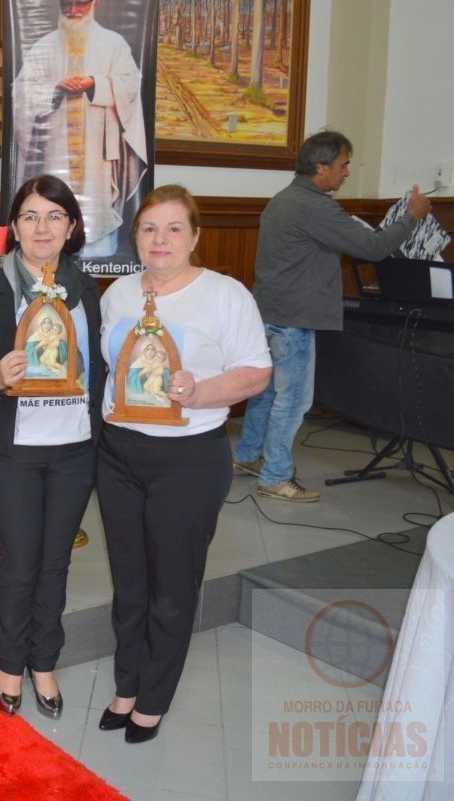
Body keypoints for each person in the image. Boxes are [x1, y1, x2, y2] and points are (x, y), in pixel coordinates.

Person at [97, 184, 271, 744]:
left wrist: (201, 392)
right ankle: (127, 684)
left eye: (174, 228)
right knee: (128, 582)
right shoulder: (117, 295)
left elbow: (256, 371)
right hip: (119, 453)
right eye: (149, 228)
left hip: (189, 457)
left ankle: (153, 697)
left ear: (195, 237)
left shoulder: (226, 296)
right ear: (136, 237)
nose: (160, 239)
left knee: (171, 584)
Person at [0, 174, 103, 719]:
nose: (42, 227)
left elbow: (101, 369)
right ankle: (10, 665)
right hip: (12, 450)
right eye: (31, 216)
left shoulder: (86, 291)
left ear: (72, 228)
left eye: (54, 216)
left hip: (75, 449)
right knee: (18, 562)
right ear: (13, 227)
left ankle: (45, 664)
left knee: (55, 563)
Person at [232, 131, 432, 501]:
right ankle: (275, 476)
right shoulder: (314, 207)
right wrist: (412, 218)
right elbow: (373, 248)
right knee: (292, 401)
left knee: (266, 394)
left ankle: (247, 457)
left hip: (270, 314)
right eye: (343, 166)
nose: (346, 174)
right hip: (294, 321)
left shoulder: (282, 199)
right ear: (320, 167)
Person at [12, 0, 148, 258]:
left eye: (81, 4)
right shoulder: (44, 46)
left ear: (95, 3)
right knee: (51, 210)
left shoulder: (113, 43)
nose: (73, 10)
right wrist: (56, 88)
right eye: (67, 4)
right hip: (54, 152)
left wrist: (94, 83)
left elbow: (130, 86)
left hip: (97, 155)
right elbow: (21, 94)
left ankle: (96, 252)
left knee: (96, 222)